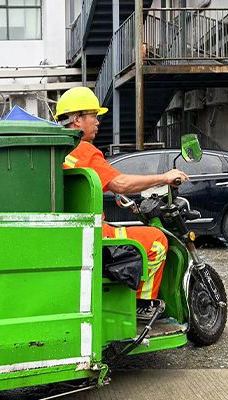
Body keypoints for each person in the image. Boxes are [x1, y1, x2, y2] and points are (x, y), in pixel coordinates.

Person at [56, 87, 189, 318]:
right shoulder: (85, 149)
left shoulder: (58, 149)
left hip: (73, 232)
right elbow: (121, 183)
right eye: (93, 116)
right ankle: (142, 304)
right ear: (77, 119)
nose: (98, 122)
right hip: (96, 235)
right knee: (157, 240)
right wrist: (164, 177)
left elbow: (89, 184)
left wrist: (111, 189)